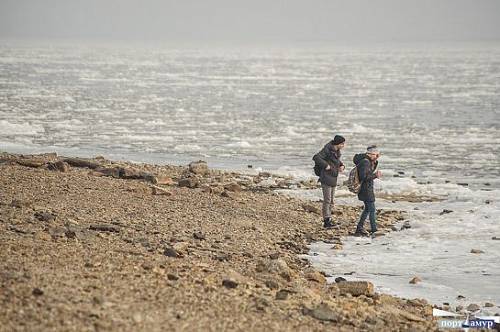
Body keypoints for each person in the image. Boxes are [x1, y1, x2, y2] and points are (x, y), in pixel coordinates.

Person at [313, 135, 345, 228]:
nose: (343, 145)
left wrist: (342, 165)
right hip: (326, 177)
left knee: (331, 201)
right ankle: (326, 221)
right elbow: (316, 157)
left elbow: (336, 161)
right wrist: (326, 165)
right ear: (338, 144)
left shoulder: (337, 151)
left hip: (333, 177)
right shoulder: (327, 149)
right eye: (342, 144)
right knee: (327, 200)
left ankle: (329, 219)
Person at [354, 145, 382, 237]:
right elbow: (364, 177)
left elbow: (369, 173)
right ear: (370, 154)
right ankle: (374, 230)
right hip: (365, 189)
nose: (377, 156)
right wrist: (375, 175)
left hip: (367, 188)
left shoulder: (369, 161)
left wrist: (375, 161)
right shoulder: (365, 162)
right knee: (372, 209)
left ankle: (359, 227)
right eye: (376, 155)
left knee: (367, 209)